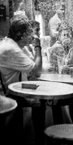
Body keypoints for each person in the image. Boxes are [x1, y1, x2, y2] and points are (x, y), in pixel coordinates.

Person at [0, 14, 42, 144]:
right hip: (10, 94)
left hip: (16, 88)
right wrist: (38, 46)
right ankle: (37, 139)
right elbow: (37, 71)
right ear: (22, 35)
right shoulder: (11, 48)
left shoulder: (13, 45)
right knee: (39, 102)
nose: (33, 37)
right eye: (30, 33)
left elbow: (31, 65)